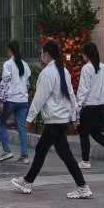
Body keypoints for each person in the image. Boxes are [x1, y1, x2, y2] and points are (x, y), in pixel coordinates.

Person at [12, 41, 91, 199]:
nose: (41, 56)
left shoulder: (47, 73)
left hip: (54, 120)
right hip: (61, 119)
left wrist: (29, 118)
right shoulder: (63, 71)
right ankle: (28, 181)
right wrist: (74, 116)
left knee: (54, 153)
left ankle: (82, 186)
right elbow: (71, 95)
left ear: (47, 54)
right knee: (49, 151)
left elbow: (39, 98)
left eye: (42, 53)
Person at [76, 41, 104, 170]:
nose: (82, 56)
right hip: (100, 106)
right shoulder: (103, 67)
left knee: (84, 133)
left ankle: (85, 161)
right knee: (95, 133)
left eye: (83, 54)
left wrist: (78, 107)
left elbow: (83, 89)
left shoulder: (86, 68)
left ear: (86, 54)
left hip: (89, 106)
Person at [0, 40, 32, 165]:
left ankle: (6, 150)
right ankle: (24, 155)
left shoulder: (8, 64)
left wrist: (1, 100)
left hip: (11, 100)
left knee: (1, 123)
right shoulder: (25, 65)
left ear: (10, 50)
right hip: (23, 101)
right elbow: (28, 84)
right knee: (21, 127)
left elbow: (4, 83)